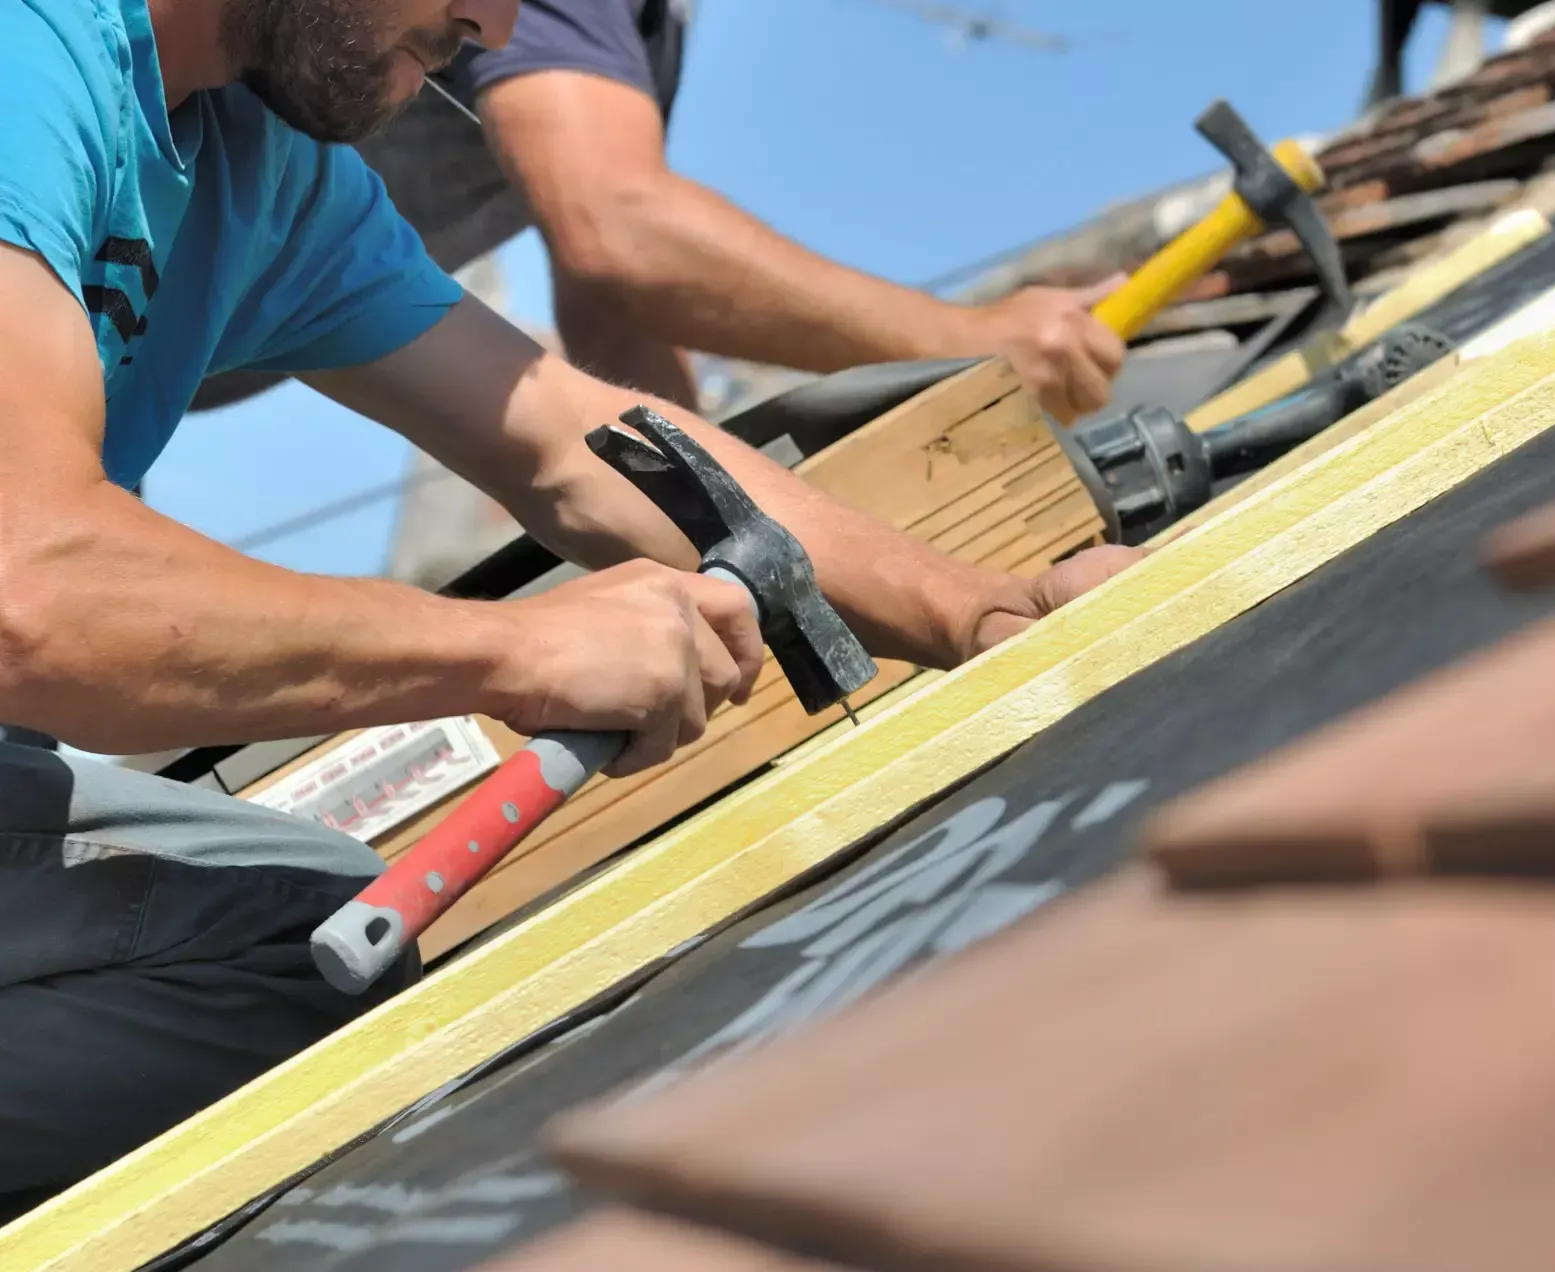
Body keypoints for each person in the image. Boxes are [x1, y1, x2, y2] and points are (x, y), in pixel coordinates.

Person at [0, 0, 1137, 1218]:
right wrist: (516, 648)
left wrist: (987, 613)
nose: (493, 23)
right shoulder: (33, 54)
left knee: (305, 946)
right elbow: (33, 591)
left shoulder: (265, 173)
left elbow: (568, 442)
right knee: (294, 937)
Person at [193, 0, 1128, 423]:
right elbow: (623, 235)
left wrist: (720, 526)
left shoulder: (641, 35)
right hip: (91, 261)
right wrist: (970, 342)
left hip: (158, 342)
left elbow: (617, 311)